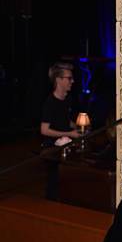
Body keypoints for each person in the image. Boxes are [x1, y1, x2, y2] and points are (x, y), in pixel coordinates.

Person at [41, 62, 80, 200]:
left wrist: (77, 127)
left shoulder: (67, 99)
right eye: (69, 78)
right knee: (54, 185)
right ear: (58, 79)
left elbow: (64, 121)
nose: (72, 81)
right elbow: (44, 130)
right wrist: (69, 134)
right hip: (52, 150)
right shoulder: (50, 102)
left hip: (64, 146)